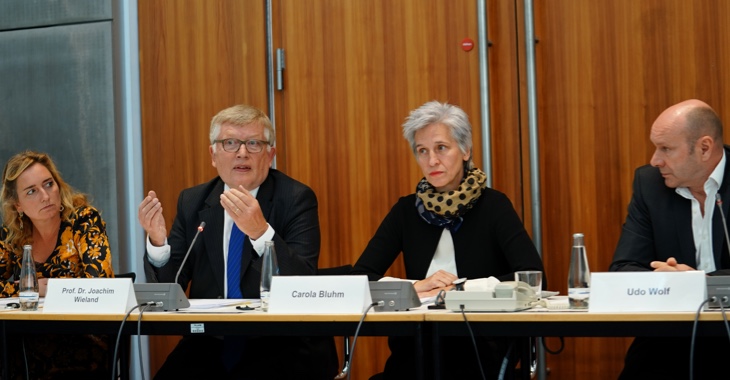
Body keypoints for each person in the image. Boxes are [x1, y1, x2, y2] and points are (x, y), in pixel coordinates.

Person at [138, 104, 338, 379]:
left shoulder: (296, 199)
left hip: (277, 341)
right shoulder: (193, 201)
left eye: (254, 143)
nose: (242, 152)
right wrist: (159, 245)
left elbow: (302, 282)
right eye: (230, 143)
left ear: (270, 155)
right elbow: (171, 290)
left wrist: (261, 232)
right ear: (213, 154)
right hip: (208, 341)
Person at [351, 101, 545, 379]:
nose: (432, 161)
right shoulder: (406, 211)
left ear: (465, 151)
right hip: (416, 350)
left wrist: (460, 290)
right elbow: (361, 277)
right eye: (422, 151)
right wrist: (416, 287)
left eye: (441, 148)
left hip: (480, 349)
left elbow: (534, 278)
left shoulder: (494, 206)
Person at [610, 99, 730, 379]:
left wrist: (699, 282)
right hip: (670, 332)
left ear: (704, 148)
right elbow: (624, 267)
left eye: (666, 149)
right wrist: (669, 280)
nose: (655, 160)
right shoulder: (649, 184)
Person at [0, 150, 115, 379]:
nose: (45, 196)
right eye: (31, 191)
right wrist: (34, 289)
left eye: (49, 184)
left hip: (81, 336)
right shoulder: (13, 237)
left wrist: (49, 289)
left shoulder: (83, 220)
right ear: (18, 206)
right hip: (27, 340)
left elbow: (101, 284)